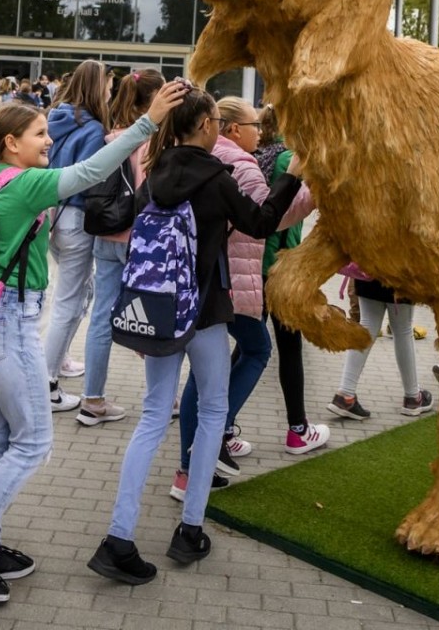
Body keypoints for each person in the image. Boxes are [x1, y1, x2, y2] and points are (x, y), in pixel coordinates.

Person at [0, 80, 187, 605]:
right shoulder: (25, 183)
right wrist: (149, 121)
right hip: (8, 326)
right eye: (40, 133)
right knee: (34, 444)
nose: (50, 141)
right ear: (10, 144)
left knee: (1, 440)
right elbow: (92, 172)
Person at [88, 88, 303, 585]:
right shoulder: (215, 177)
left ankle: (119, 537)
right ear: (207, 125)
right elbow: (261, 222)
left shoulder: (155, 171)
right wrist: (293, 177)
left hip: (160, 312)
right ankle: (190, 529)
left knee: (151, 416)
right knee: (211, 411)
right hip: (205, 311)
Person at [175, 97, 315, 483]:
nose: (261, 132)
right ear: (232, 129)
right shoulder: (242, 165)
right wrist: (308, 187)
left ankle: (189, 466)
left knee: (198, 376)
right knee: (257, 350)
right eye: (254, 125)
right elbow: (264, 219)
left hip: (193, 282)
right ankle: (212, 439)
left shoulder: (190, 157)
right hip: (228, 282)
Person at [78, 68, 165, 427]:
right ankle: (163, 397)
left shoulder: (110, 138)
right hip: (138, 241)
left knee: (101, 317)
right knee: (152, 318)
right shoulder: (152, 143)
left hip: (105, 236)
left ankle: (92, 398)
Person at [253, 106, 335, 452]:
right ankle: (297, 428)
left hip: (252, 265)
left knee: (249, 349)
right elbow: (302, 204)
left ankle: (222, 428)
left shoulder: (255, 157)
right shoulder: (291, 159)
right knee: (288, 350)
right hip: (279, 265)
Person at [42, 61, 114, 406]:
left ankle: (55, 366)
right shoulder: (94, 129)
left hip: (54, 215)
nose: (111, 93)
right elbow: (92, 178)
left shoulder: (56, 118)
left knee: (67, 299)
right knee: (67, 304)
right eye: (109, 86)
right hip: (77, 217)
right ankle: (46, 383)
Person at [327, 273, 430, 419]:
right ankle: (413, 397)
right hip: (400, 271)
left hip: (367, 268)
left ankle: (345, 394)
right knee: (402, 331)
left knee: (367, 324)